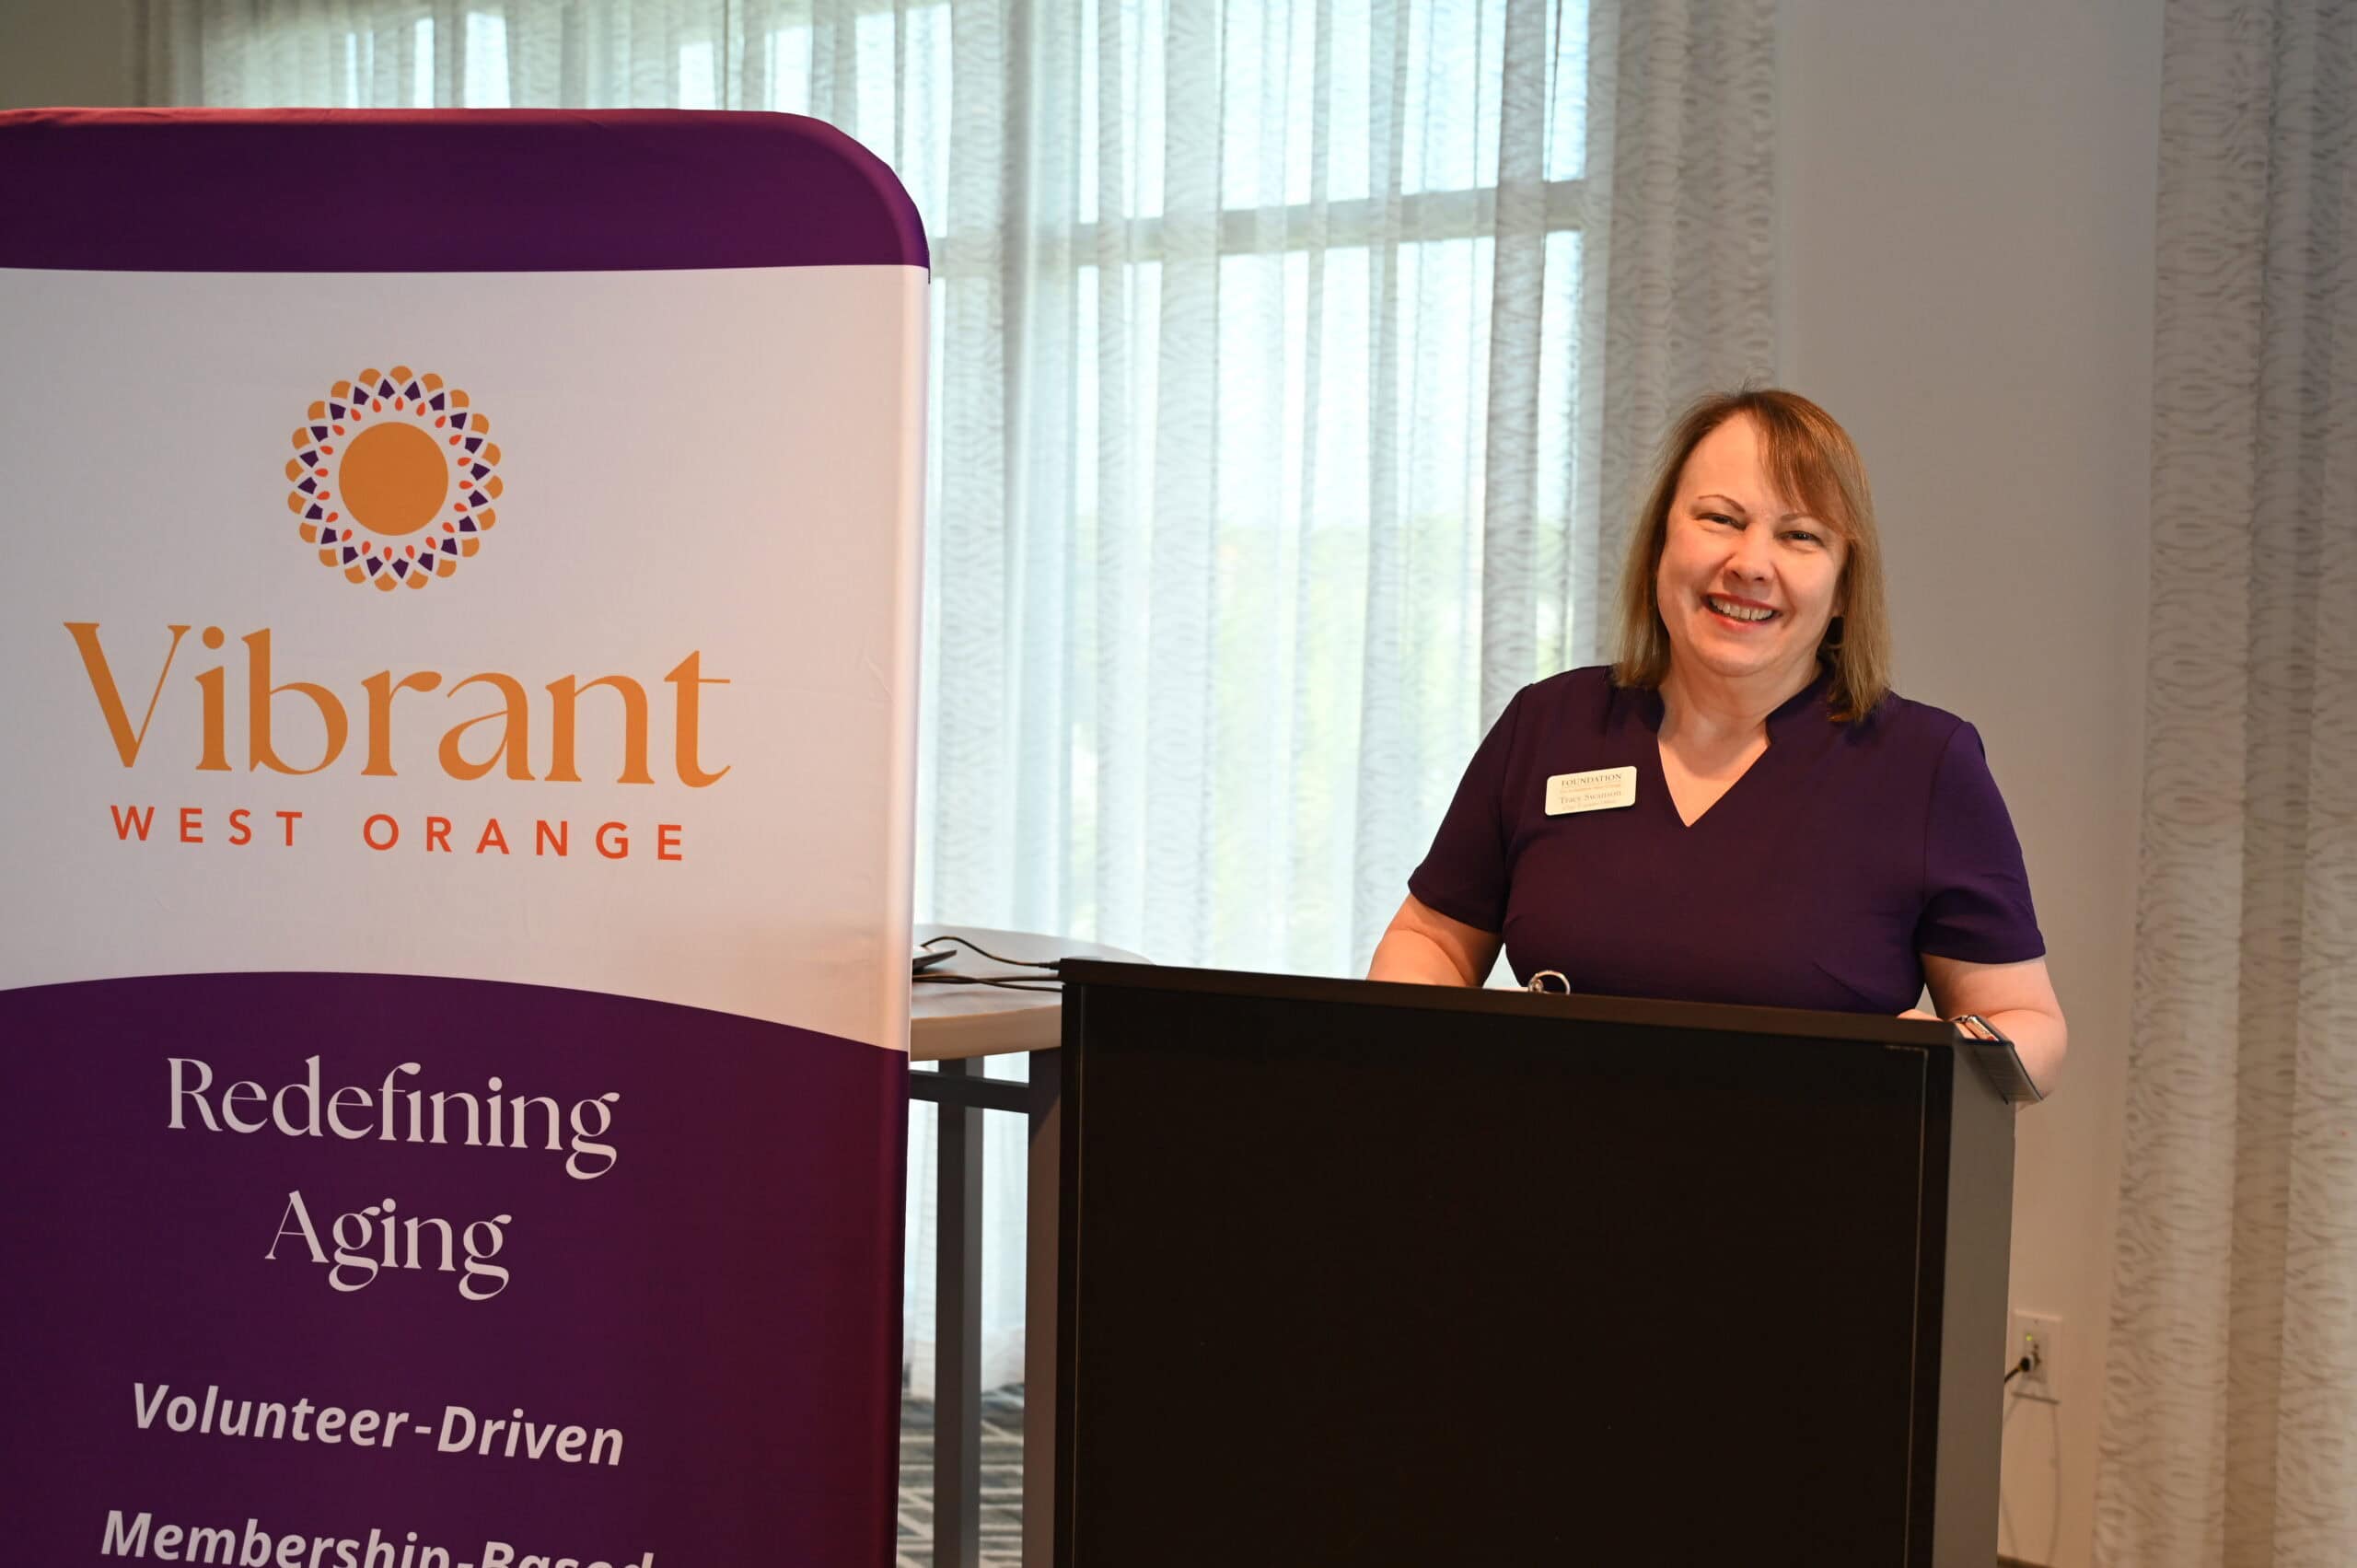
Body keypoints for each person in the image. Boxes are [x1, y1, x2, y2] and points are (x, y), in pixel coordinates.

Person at [1366, 388, 2067, 1091]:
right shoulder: (1547, 724)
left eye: (1800, 535)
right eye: (1720, 519)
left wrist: (1952, 1053)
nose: (1751, 563)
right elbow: (1430, 939)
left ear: (1844, 586)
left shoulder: (1925, 765)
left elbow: (2028, 1021)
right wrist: (1424, 1054)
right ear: (1659, 543)